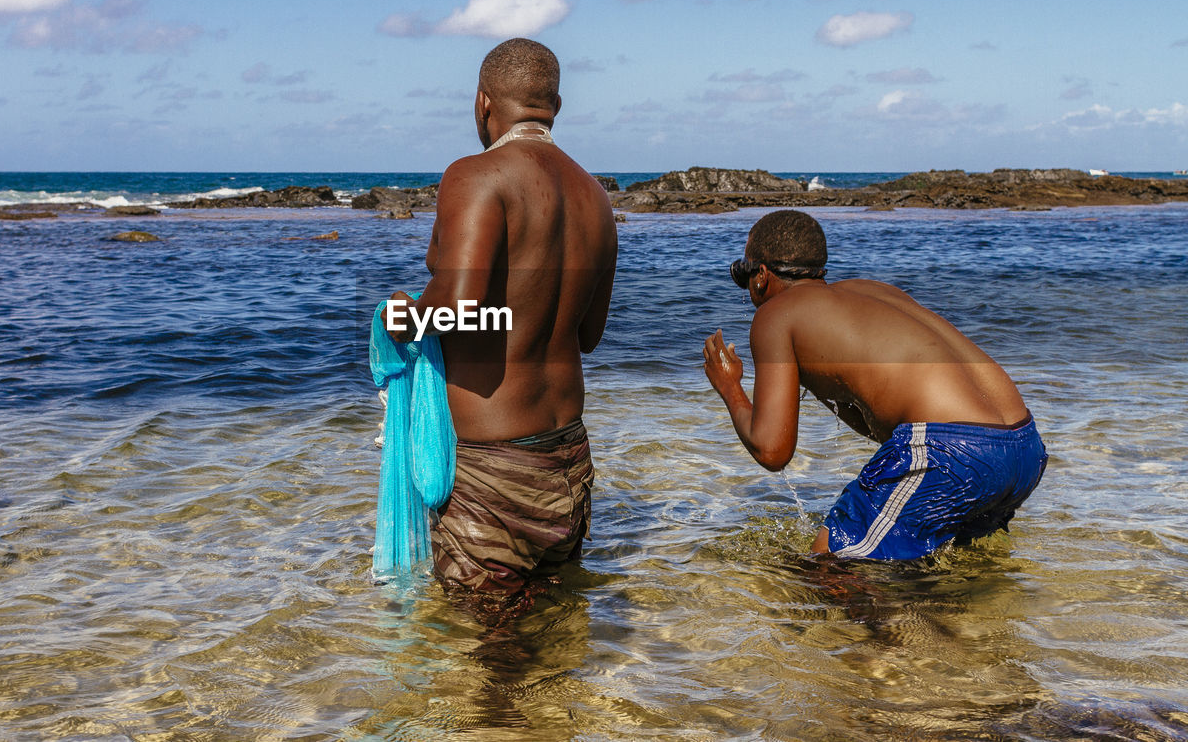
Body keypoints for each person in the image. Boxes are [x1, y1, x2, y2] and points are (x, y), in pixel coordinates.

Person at [382, 38, 617, 601]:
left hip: (496, 467)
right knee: (553, 625)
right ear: (555, 104)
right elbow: (588, 335)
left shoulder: (476, 175)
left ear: (483, 101)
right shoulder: (595, 196)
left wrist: (401, 318)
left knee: (486, 654)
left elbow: (455, 310)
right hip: (568, 455)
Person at [702, 210, 1047, 560]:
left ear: (760, 276)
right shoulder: (871, 291)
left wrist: (730, 386)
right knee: (941, 574)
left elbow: (773, 450)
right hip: (1024, 446)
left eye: (741, 273)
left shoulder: (774, 315)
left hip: (953, 449)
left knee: (828, 565)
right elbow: (886, 419)